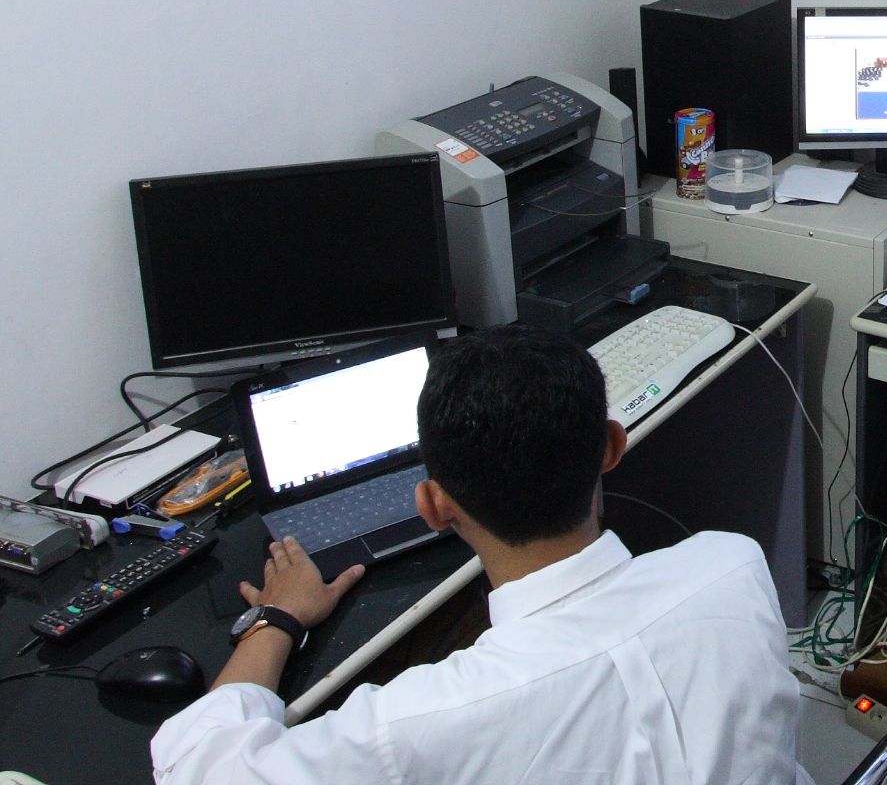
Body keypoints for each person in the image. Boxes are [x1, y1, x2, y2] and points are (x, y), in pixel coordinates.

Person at [152, 323, 808, 784]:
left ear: (434, 506)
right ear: (612, 448)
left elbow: (198, 763)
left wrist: (277, 619)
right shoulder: (733, 566)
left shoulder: (417, 723)